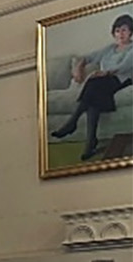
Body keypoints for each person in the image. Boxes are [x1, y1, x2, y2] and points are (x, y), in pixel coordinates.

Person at [50, 14, 133, 161]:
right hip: (104, 82)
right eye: (118, 30)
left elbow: (124, 66)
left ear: (131, 32)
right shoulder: (109, 48)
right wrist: (78, 67)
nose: (121, 34)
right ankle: (90, 142)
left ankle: (72, 123)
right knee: (93, 98)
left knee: (94, 83)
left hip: (122, 80)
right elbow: (87, 58)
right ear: (114, 33)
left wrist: (104, 72)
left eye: (125, 30)